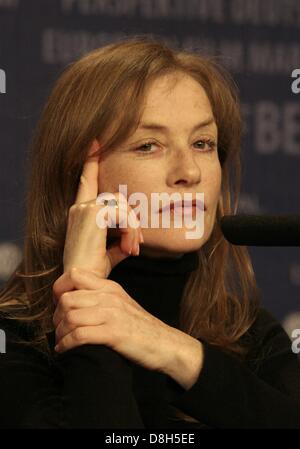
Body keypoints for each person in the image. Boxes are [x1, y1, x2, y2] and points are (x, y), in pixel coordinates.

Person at [0, 36, 299, 429]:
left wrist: (175, 350)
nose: (189, 172)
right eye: (148, 146)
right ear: (80, 173)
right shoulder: (16, 342)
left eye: (202, 143)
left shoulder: (248, 331)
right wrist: (88, 294)